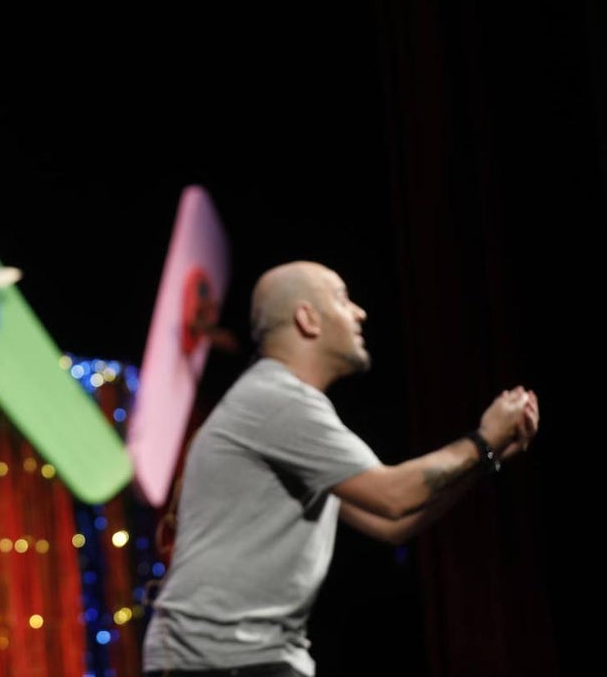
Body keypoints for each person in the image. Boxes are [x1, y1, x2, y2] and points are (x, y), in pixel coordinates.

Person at [140, 260, 539, 677]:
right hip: (209, 660)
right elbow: (393, 496)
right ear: (307, 319)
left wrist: (487, 459)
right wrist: (483, 440)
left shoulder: (289, 407)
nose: (359, 312)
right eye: (342, 298)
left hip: (254, 656)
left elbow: (390, 523)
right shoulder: (276, 399)